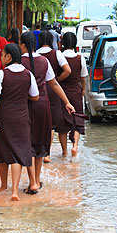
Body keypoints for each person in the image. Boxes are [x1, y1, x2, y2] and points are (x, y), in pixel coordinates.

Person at [20, 31, 75, 193]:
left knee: (27, 143)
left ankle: (32, 182)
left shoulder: (18, 62)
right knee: (39, 143)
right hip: (43, 105)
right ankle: (37, 180)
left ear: (22, 44)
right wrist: (67, 102)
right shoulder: (44, 61)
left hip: (24, 106)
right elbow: (55, 84)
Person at [0, 44, 39, 201]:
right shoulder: (28, 74)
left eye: (3, 55)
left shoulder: (0, 74)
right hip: (22, 119)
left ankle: (3, 186)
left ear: (9, 57)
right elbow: (35, 96)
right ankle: (15, 191)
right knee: (17, 154)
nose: (1, 57)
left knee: (3, 152)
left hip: (3, 118)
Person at [37, 30, 71, 163]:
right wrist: (57, 79)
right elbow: (68, 70)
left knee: (43, 123)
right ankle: (53, 153)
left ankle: (44, 152)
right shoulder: (57, 54)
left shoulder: (36, 55)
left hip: (39, 90)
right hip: (53, 90)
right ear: (52, 41)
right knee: (52, 123)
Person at [58, 32, 88, 159]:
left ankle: (64, 152)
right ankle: (74, 146)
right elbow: (83, 78)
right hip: (75, 92)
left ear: (63, 43)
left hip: (62, 93)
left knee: (63, 125)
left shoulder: (59, 57)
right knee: (77, 120)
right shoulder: (80, 58)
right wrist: (83, 90)